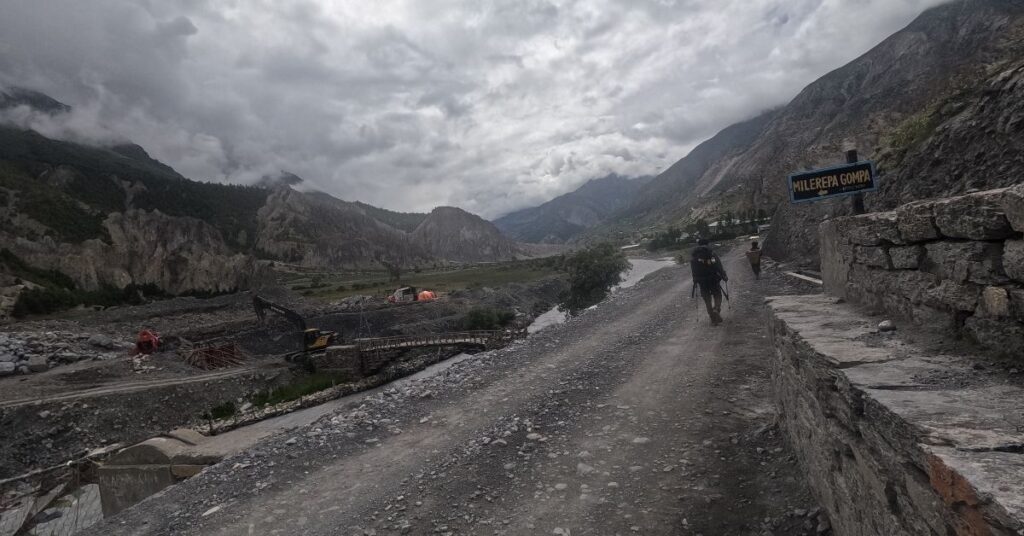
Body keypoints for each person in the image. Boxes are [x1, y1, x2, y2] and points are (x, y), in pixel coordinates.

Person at [690, 238, 728, 325]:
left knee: (707, 299)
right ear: (708, 244)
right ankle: (716, 309)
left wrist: (695, 280)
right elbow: (718, 265)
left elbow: (693, 269)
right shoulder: (711, 253)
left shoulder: (694, 255)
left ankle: (712, 319)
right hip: (713, 278)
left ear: (699, 244)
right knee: (717, 294)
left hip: (701, 281)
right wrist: (723, 275)